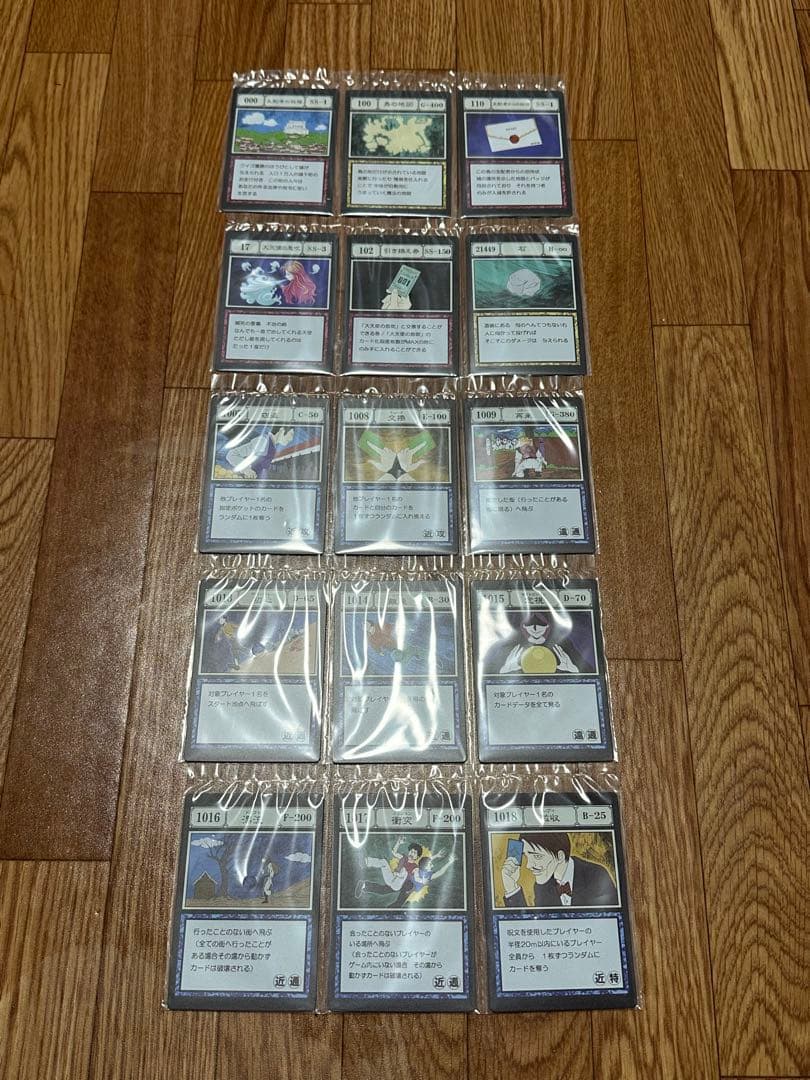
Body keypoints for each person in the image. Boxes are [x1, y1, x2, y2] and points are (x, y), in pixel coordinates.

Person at [501, 832, 618, 908]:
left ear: (560, 856)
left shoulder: (596, 875)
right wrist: (511, 887)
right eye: (526, 856)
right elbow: (535, 928)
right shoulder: (542, 885)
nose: (529, 865)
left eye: (537, 856)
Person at [483, 608, 586, 675]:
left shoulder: (564, 647)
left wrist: (573, 669)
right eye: (530, 626)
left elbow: (587, 672)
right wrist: (504, 670)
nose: (535, 629)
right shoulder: (505, 647)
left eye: (541, 626)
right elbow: (483, 679)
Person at [355, 838, 424, 904]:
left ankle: (398, 875)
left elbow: (417, 877)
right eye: (411, 851)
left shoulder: (415, 867)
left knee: (404, 872)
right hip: (391, 878)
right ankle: (365, 863)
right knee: (384, 862)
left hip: (398, 884)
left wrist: (422, 880)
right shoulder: (403, 857)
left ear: (417, 857)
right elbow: (394, 852)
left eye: (414, 853)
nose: (412, 854)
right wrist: (398, 843)